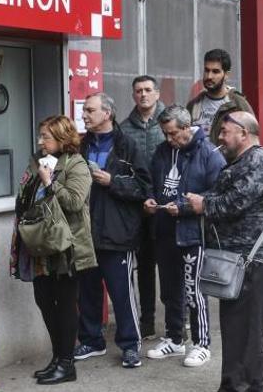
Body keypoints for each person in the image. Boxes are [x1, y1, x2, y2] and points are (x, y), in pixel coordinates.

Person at [184, 111, 263, 392]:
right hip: (237, 258)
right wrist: (198, 200)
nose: (221, 138)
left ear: (243, 134)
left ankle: (248, 386)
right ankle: (234, 384)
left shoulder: (259, 161)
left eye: (225, 132)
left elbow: (236, 202)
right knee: (235, 329)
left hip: (252, 259)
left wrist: (204, 205)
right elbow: (222, 193)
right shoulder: (239, 161)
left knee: (247, 331)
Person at [10, 115, 96, 385]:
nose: (40, 141)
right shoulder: (37, 162)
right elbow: (24, 195)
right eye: (40, 136)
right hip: (39, 245)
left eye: (45, 136)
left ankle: (67, 363)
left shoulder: (77, 164)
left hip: (65, 246)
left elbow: (73, 202)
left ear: (61, 138)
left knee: (65, 306)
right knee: (44, 301)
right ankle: (58, 357)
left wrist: (50, 182)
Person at [144, 105, 224, 367]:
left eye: (173, 133)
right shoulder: (163, 152)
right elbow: (151, 181)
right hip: (165, 229)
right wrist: (150, 199)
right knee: (169, 291)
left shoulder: (210, 154)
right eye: (165, 134)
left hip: (193, 233)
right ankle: (174, 339)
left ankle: (202, 343)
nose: (169, 139)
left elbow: (220, 196)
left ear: (187, 127)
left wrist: (187, 207)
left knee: (194, 291)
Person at [75, 93, 151, 369]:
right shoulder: (80, 146)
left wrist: (112, 181)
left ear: (107, 113)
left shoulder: (127, 145)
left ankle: (130, 346)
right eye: (84, 110)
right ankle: (91, 340)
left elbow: (144, 188)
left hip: (118, 232)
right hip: (86, 232)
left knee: (122, 294)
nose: (84, 115)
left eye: (90, 110)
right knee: (87, 292)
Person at [119, 75, 166, 340]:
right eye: (138, 91)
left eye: (148, 90)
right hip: (138, 207)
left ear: (157, 94)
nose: (143, 95)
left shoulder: (169, 122)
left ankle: (178, 318)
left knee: (171, 265)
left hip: (167, 204)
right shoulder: (125, 129)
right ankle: (146, 320)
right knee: (145, 266)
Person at [186, 48, 254, 144]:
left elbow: (252, 138)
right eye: (206, 70)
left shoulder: (237, 104)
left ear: (226, 75)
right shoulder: (194, 105)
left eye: (215, 71)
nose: (209, 76)